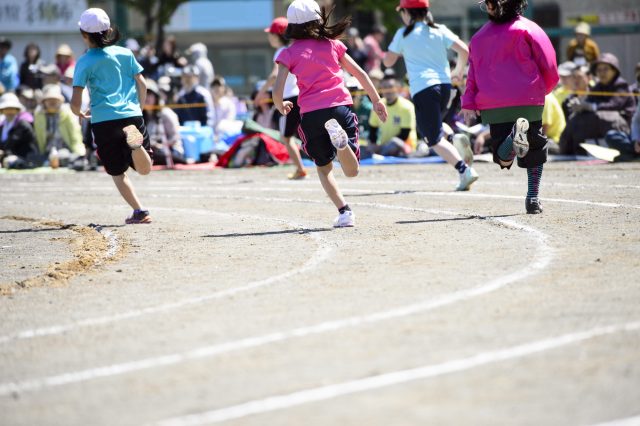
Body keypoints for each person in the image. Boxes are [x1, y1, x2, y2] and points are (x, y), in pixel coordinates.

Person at [273, 0, 388, 227]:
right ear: (318, 19)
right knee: (352, 171)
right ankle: (342, 145)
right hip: (339, 107)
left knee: (324, 169)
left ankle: (344, 212)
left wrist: (281, 105)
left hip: (311, 114)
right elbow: (360, 72)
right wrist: (376, 100)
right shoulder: (332, 44)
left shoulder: (289, 53)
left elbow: (278, 89)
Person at [462, 0, 558, 214]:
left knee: (503, 159)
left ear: (489, 7)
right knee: (535, 149)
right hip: (528, 99)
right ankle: (532, 199)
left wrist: (468, 102)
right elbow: (549, 65)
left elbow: (472, 75)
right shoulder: (530, 29)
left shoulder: (478, 38)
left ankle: (512, 140)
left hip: (494, 104)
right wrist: (543, 90)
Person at [384, 0, 478, 191]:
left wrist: (397, 52)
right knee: (432, 126)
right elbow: (464, 50)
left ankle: (464, 170)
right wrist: (459, 71)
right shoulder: (439, 29)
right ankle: (452, 138)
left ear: (407, 12)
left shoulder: (403, 34)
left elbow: (387, 62)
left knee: (432, 139)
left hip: (423, 89)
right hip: (445, 87)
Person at [71, 8, 154, 224]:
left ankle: (140, 211)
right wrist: (138, 109)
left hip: (103, 120)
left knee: (117, 172)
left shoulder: (85, 61)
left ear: (84, 35)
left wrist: (78, 112)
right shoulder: (126, 53)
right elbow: (142, 84)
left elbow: (75, 100)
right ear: (108, 30)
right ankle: (136, 146)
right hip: (131, 114)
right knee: (144, 169)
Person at [256, 16, 308, 180]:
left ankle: (300, 169)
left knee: (286, 137)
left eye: (271, 34)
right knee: (305, 133)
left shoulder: (281, 52)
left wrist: (261, 92)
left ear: (277, 35)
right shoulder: (295, 49)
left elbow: (273, 76)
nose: (269, 37)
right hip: (300, 96)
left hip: (287, 100)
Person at [559, 53, 635, 156]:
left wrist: (591, 107)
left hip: (623, 125)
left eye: (605, 69)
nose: (602, 73)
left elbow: (614, 105)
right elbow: (589, 101)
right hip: (601, 122)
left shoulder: (621, 85)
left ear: (614, 70)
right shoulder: (598, 87)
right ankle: (570, 151)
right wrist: (580, 105)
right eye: (599, 70)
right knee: (577, 118)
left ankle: (626, 152)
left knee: (605, 116)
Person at [34, 84, 85, 165]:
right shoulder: (39, 115)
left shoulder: (67, 113)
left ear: (60, 101)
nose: (52, 102)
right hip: (47, 152)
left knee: (64, 156)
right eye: (49, 99)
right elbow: (38, 137)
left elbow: (75, 135)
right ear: (44, 102)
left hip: (64, 150)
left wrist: (80, 154)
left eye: (55, 100)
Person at [367, 75, 417, 157]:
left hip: (405, 147)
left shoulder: (407, 106)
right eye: (384, 87)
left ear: (398, 88)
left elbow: (404, 135)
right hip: (384, 147)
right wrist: (373, 145)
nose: (387, 90)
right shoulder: (377, 106)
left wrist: (382, 147)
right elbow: (373, 130)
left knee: (394, 142)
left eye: (390, 87)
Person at [143, 79, 185, 166]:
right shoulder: (141, 117)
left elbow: (175, 137)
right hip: (151, 151)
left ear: (156, 97)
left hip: (171, 151)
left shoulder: (166, 113)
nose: (146, 97)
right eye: (144, 94)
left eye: (149, 94)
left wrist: (160, 145)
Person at [0, 93, 38, 168]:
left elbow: (13, 144)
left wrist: (3, 153)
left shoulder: (23, 125)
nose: (9, 111)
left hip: (24, 159)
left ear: (17, 110)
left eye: (12, 109)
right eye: (7, 109)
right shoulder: (2, 126)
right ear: (2, 110)